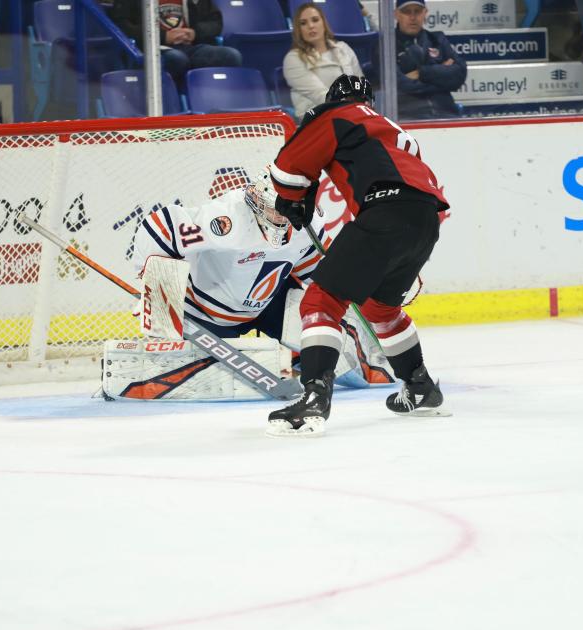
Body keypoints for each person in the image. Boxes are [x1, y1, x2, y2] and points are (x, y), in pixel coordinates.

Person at [266, 74, 450, 437]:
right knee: (379, 308)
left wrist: (292, 199)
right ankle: (420, 386)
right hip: (426, 218)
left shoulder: (338, 115)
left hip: (386, 211)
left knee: (321, 300)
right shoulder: (393, 129)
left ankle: (314, 397)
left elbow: (287, 169)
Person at [127, 167, 394, 394]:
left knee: (344, 362)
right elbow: (160, 228)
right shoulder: (227, 220)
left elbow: (314, 271)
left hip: (269, 305)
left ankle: (315, 356)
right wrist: (152, 285)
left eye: (290, 207)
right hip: (206, 314)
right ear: (256, 200)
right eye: (276, 208)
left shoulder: (308, 222)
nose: (283, 216)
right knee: (183, 375)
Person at [110, 0, 242, 86]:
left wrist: (195, 32)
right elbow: (122, 27)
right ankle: (177, 102)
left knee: (231, 55)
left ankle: (214, 106)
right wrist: (163, 37)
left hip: (190, 46)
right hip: (153, 48)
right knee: (177, 59)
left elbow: (215, 23)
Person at [283, 2, 364, 121]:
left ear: (324, 23)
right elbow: (322, 96)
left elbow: (360, 85)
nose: (311, 26)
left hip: (351, 115)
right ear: (298, 30)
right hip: (316, 121)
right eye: (303, 23)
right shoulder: (293, 59)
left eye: (315, 20)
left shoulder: (343, 48)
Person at [394, 0, 467, 120]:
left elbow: (459, 75)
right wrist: (442, 77)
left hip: (447, 115)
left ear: (425, 13)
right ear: (396, 14)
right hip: (407, 119)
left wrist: (421, 73)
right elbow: (402, 85)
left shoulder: (438, 39)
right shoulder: (385, 46)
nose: (413, 17)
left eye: (417, 11)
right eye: (407, 12)